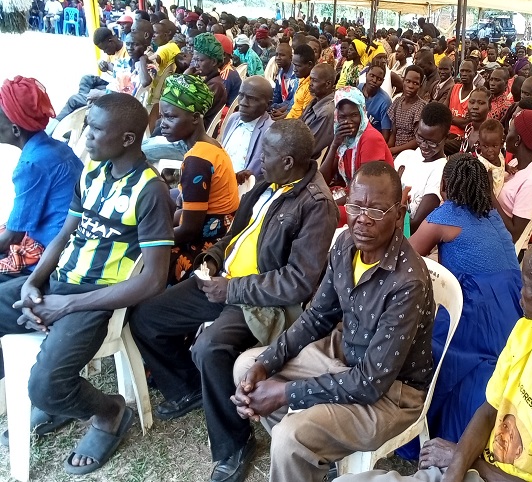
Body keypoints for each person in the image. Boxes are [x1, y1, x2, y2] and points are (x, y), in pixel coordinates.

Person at [130, 119, 338, 482]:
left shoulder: (316, 205)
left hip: (261, 302)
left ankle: (235, 443)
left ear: (288, 161)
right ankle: (188, 388)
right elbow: (238, 234)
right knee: (147, 316)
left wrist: (234, 290)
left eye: (267, 154)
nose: (259, 161)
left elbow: (300, 282)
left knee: (210, 348)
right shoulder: (268, 184)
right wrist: (213, 256)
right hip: (224, 282)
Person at [340, 231, 532, 482]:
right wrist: (456, 470)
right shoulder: (529, 330)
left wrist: (466, 460)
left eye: (526, 285)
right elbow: (489, 408)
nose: (518, 293)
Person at [0, 93, 173, 474]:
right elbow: (64, 234)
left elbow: (154, 279)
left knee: (44, 384)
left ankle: (109, 411)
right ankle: (59, 398)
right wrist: (33, 283)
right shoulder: (92, 172)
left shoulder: (150, 191)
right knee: (8, 305)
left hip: (96, 299)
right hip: (60, 284)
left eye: (95, 129)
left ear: (128, 139)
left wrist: (66, 307)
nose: (86, 136)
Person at [231, 161, 436, 482]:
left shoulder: (407, 281)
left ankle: (301, 452)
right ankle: (311, 464)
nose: (363, 219)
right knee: (247, 368)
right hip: (344, 356)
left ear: (399, 213)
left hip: (391, 394)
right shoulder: (345, 244)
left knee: (290, 436)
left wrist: (287, 393)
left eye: (378, 210)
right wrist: (268, 362)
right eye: (355, 206)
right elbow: (316, 317)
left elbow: (370, 383)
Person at [404, 153, 522, 455]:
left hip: (476, 304)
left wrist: (400, 214)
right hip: (512, 300)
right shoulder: (491, 214)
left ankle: (418, 424)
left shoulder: (445, 216)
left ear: (446, 184)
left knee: (432, 349)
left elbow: (405, 256)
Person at [157, 74, 239, 284]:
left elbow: (189, 231)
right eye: (162, 116)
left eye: (171, 117)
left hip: (209, 245)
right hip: (221, 228)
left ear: (195, 118)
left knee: (146, 260)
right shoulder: (211, 145)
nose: (162, 124)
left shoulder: (197, 161)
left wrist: (151, 240)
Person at [0, 77, 83, 280]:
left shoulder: (31, 165)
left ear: (15, 130)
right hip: (71, 235)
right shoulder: (58, 148)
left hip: (51, 251)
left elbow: (14, 236)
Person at [320, 87, 394, 210]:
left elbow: (365, 188)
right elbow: (322, 179)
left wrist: (329, 206)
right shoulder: (344, 139)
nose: (348, 122)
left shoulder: (370, 138)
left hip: (372, 201)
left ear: (362, 112)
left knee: (322, 213)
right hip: (354, 196)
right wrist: (334, 145)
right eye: (343, 117)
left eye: (354, 115)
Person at [394, 102, 451, 233]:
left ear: (445, 138)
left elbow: (415, 226)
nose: (424, 145)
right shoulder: (406, 156)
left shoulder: (441, 172)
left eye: (432, 142)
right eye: (420, 137)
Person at [494, 110, 532, 243]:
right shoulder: (515, 163)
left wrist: (489, 195)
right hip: (490, 226)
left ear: (517, 140)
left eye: (509, 131)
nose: (505, 136)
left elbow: (514, 234)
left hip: (499, 242)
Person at [56, 28, 128, 120]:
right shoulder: (110, 50)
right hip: (107, 81)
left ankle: (82, 104)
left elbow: (125, 74)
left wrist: (111, 67)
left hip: (116, 85)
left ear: (111, 41)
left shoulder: (127, 50)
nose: (105, 52)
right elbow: (103, 63)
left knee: (74, 99)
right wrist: (101, 64)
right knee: (86, 78)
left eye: (105, 49)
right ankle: (86, 105)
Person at [220, 76, 274, 184]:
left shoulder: (270, 132)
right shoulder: (234, 118)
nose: (243, 103)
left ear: (267, 105)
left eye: (252, 99)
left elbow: (257, 173)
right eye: (241, 95)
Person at [187, 33, 228, 131]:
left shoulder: (215, 85)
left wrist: (185, 79)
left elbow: (188, 109)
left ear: (213, 62)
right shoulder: (210, 79)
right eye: (194, 60)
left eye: (199, 60)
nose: (195, 65)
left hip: (199, 131)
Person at [387, 65, 427, 154]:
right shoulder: (397, 102)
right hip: (394, 150)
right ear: (403, 80)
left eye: (415, 83)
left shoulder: (421, 107)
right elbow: (394, 132)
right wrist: (388, 150)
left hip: (411, 152)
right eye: (408, 81)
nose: (410, 86)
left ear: (420, 85)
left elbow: (418, 140)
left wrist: (395, 150)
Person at [300, 63, 337, 159]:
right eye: (310, 79)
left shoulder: (326, 112)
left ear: (328, 84)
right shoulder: (316, 100)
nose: (310, 84)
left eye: (315, 80)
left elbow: (308, 147)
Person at [358, 62, 393, 134]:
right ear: (366, 74)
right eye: (372, 75)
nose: (374, 80)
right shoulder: (358, 89)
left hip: (372, 137)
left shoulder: (385, 102)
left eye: (379, 79)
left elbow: (385, 134)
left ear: (382, 81)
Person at [474, 119, 506, 196]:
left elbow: (502, 162)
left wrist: (508, 167)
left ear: (501, 144)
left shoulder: (500, 154)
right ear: (479, 144)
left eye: (494, 146)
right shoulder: (482, 165)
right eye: (485, 146)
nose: (490, 150)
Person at [285, 44, 316, 120]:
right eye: (293, 65)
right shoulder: (302, 78)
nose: (294, 69)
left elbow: (304, 117)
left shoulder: (311, 87)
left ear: (309, 64)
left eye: (298, 66)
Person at [459, 87, 491, 155]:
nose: (475, 107)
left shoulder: (491, 134)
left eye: (481, 103)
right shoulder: (468, 128)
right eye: (472, 102)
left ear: (490, 107)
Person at [448, 60, 476, 136]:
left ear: (474, 73)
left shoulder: (476, 94)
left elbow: (466, 124)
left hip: (462, 137)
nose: (464, 74)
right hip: (446, 132)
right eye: (462, 71)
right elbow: (443, 113)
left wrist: (450, 118)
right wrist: (458, 120)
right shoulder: (454, 88)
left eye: (468, 71)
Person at [271, 41, 297, 120]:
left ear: (290, 57)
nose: (278, 58)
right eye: (276, 55)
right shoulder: (281, 73)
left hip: (288, 112)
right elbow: (277, 95)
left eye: (282, 55)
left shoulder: (295, 76)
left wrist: (276, 108)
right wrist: (272, 107)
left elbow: (291, 101)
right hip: (281, 109)